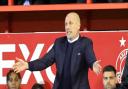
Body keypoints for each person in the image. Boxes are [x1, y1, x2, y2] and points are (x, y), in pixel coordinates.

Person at [13, 12, 102, 89]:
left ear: (78, 25)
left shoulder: (85, 43)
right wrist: (28, 65)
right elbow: (44, 61)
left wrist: (93, 64)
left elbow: (90, 57)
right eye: (66, 24)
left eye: (70, 23)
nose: (67, 27)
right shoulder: (59, 43)